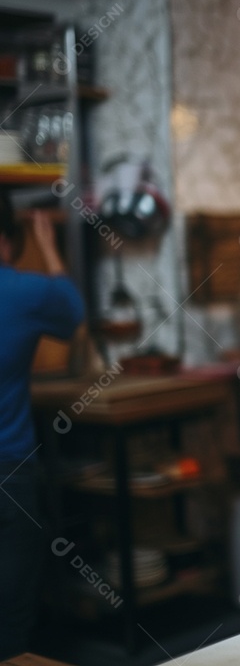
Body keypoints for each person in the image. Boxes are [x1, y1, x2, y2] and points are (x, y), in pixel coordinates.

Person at [0, 196, 84, 658]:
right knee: (11, 610)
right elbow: (72, 313)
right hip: (10, 470)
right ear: (6, 241)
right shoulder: (23, 290)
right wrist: (48, 246)